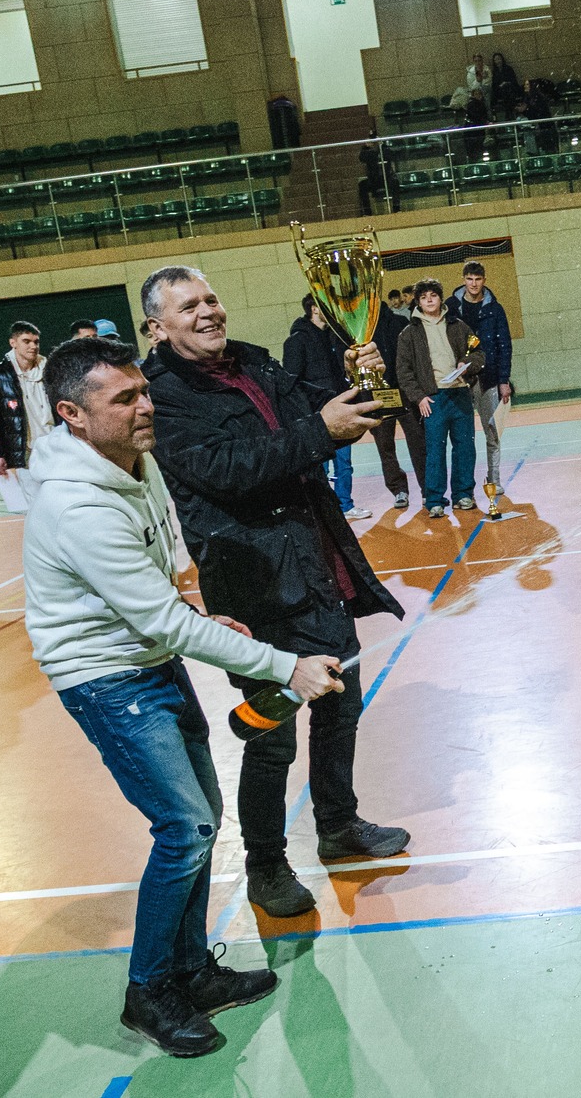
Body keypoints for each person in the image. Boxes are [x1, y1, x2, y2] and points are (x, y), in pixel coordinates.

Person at [24, 335, 345, 1056]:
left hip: (148, 654)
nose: (147, 405)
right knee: (186, 827)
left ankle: (193, 969)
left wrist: (192, 617)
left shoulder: (131, 462)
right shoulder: (78, 505)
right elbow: (158, 618)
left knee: (200, 816)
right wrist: (285, 664)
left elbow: (161, 591)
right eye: (125, 398)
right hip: (105, 677)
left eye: (144, 391)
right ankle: (148, 991)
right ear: (72, 413)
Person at [139, 266, 408, 920]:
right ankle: (265, 863)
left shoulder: (253, 361)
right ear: (158, 327)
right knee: (273, 735)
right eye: (189, 305)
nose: (208, 310)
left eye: (212, 296)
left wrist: (356, 372)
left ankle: (338, 825)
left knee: (341, 702)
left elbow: (312, 403)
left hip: (316, 563)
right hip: (254, 586)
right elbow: (227, 470)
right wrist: (320, 428)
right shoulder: (161, 396)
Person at [396, 278, 484, 517]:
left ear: (439, 298)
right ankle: (434, 500)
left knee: (465, 447)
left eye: (432, 296)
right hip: (433, 399)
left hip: (460, 395)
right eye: (423, 298)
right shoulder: (409, 333)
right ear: (418, 302)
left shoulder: (458, 325)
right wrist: (419, 398)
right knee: (435, 451)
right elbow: (403, 371)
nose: (429, 301)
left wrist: (467, 364)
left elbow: (478, 353)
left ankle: (464, 494)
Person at [282, 296, 370, 522]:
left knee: (344, 464)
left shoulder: (336, 338)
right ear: (314, 309)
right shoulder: (296, 341)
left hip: (341, 410)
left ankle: (346, 505)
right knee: (318, 467)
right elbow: (291, 381)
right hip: (315, 416)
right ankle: (322, 510)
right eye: (327, 307)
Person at [450, 262, 514, 498]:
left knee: (492, 431)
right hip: (459, 380)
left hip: (488, 379)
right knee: (463, 436)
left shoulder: (495, 309)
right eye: (469, 279)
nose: (473, 284)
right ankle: (465, 487)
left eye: (478, 279)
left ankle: (494, 480)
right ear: (464, 280)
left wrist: (504, 380)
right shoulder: (451, 307)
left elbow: (504, 346)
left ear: (484, 280)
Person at [0, 321, 52, 510]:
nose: (33, 346)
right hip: (27, 450)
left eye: (36, 342)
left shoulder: (51, 370)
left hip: (56, 444)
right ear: (13, 343)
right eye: (26, 341)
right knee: (37, 505)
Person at [370, 299, 424, 510]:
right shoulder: (361, 330)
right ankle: (398, 489)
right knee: (384, 445)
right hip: (377, 395)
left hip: (404, 391)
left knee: (418, 441)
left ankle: (427, 490)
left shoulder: (400, 322)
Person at [488, 52, 521, 120]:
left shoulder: (508, 69)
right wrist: (500, 85)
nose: (498, 61)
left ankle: (508, 112)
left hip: (510, 89)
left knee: (507, 89)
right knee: (503, 90)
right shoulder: (494, 72)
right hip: (499, 91)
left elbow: (513, 81)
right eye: (496, 60)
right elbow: (494, 85)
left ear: (502, 59)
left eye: (499, 59)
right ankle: (509, 112)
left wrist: (506, 83)